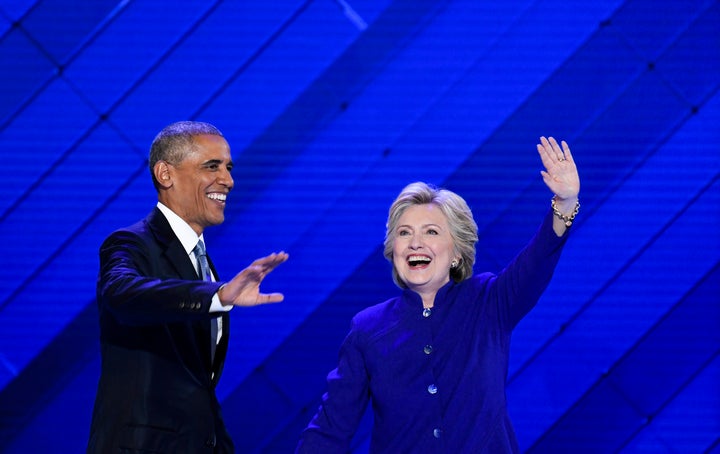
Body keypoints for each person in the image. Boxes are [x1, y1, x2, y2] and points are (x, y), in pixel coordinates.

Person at [296, 136, 580, 453]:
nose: (416, 243)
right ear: (393, 251)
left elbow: (538, 259)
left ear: (457, 251)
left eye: (431, 231)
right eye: (405, 233)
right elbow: (330, 429)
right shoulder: (367, 330)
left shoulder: (489, 301)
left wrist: (564, 203)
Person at [87, 121, 289, 453]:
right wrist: (218, 295)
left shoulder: (204, 263)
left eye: (228, 167)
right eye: (212, 166)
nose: (228, 180)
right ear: (165, 174)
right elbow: (122, 294)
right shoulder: (130, 243)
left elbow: (197, 386)